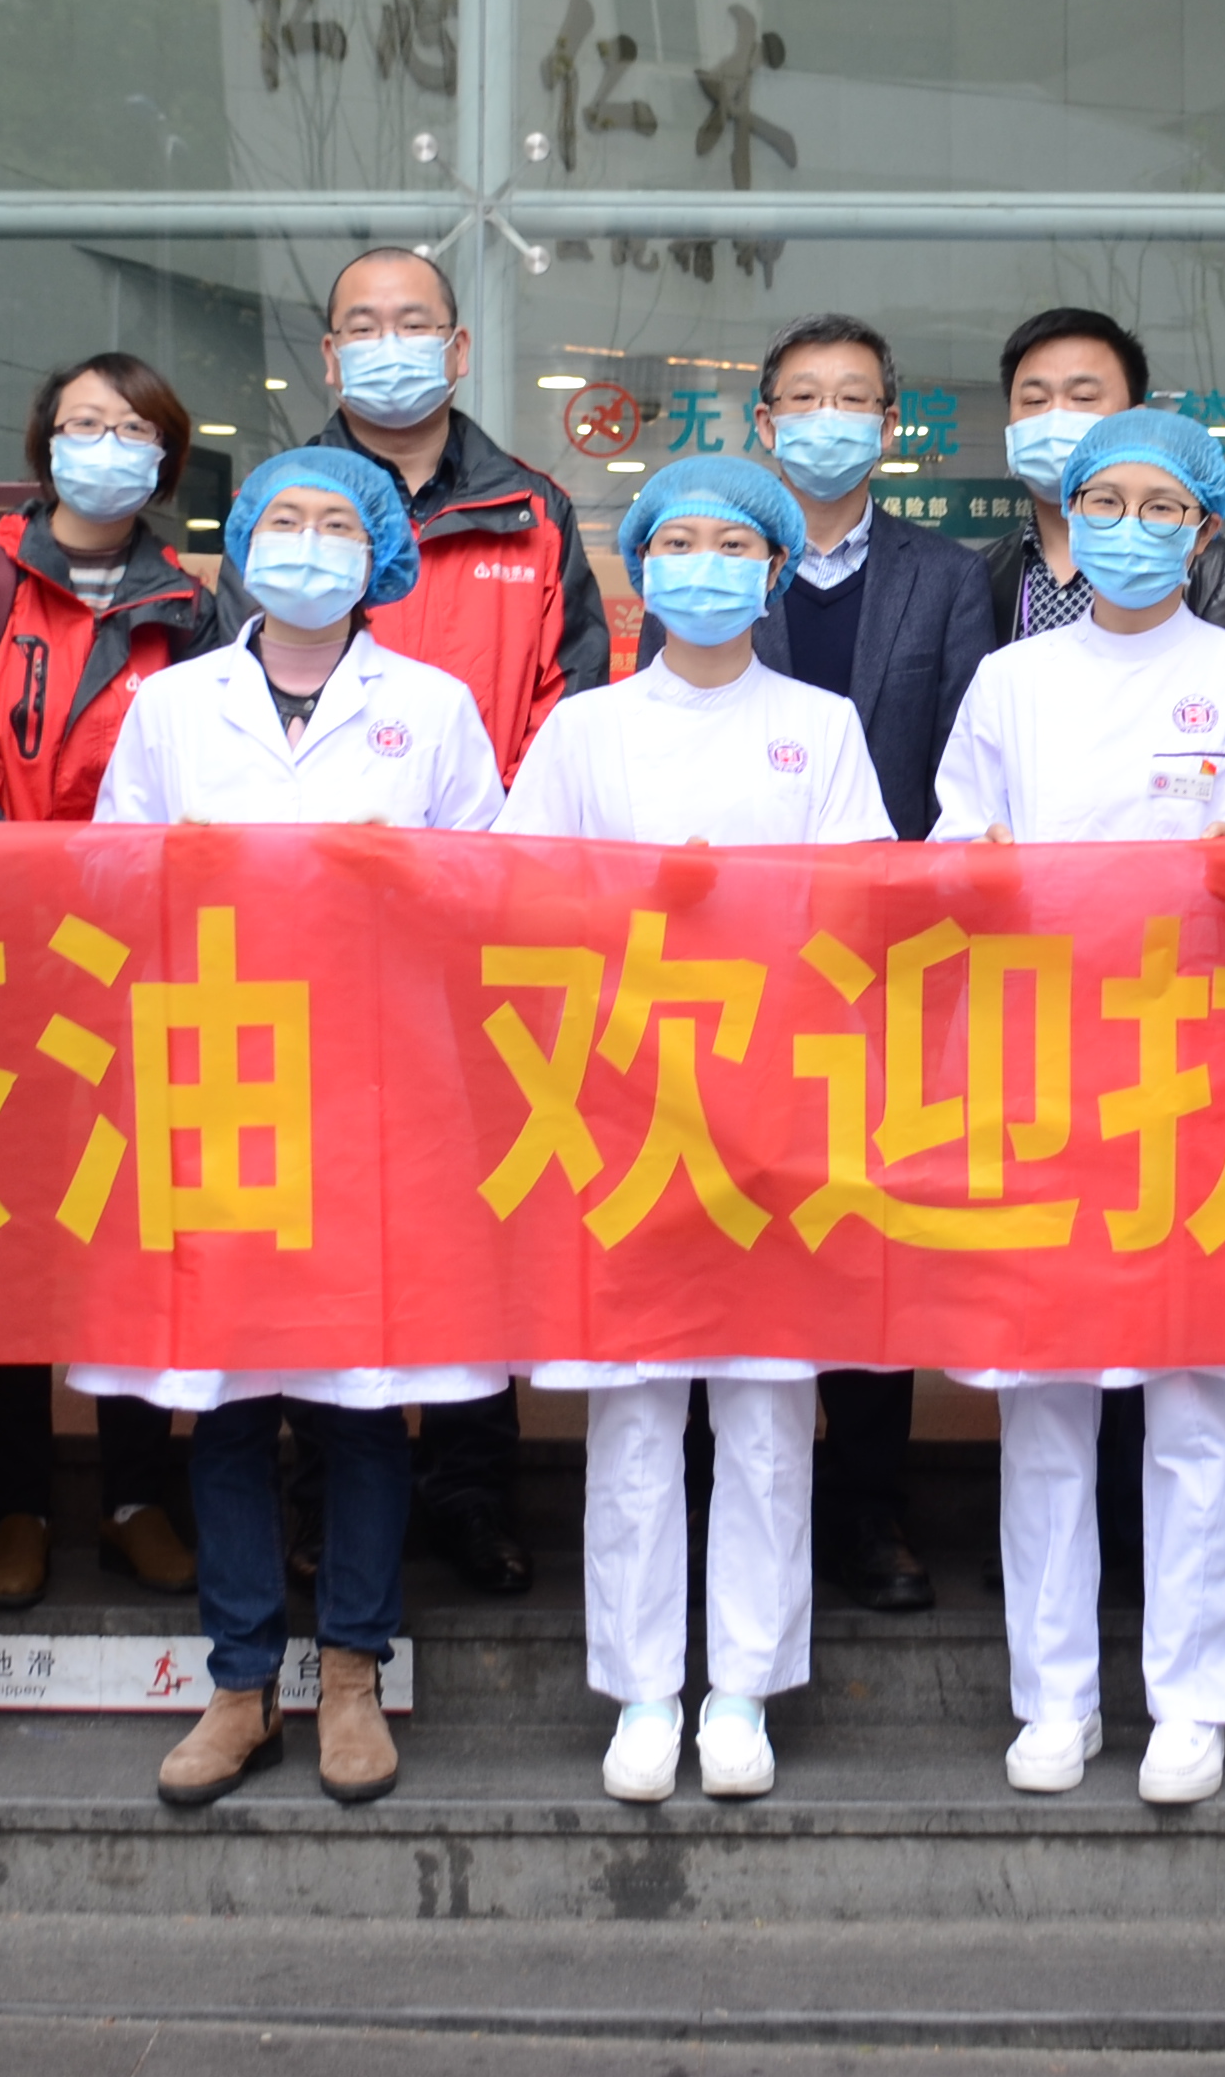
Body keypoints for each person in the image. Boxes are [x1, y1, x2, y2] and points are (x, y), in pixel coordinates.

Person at [931, 408, 1225, 1810]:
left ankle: (1192, 1701)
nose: (1127, 528)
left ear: (1204, 527)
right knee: (1044, 1404)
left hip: (1196, 1074)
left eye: (1160, 506)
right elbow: (946, 848)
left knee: (1197, 1400)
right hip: (1040, 1071)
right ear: (1064, 515)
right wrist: (978, 869)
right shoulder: (1009, 681)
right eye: (1102, 501)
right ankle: (1052, 1699)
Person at [95, 447, 508, 1811]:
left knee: (359, 1400)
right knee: (224, 1401)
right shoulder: (173, 703)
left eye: (339, 523)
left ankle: (349, 1675)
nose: (310, 543)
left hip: (377, 1089)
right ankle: (237, 1685)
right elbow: (108, 875)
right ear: (244, 544)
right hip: (218, 1076)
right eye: (287, 519)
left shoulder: (432, 706)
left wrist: (405, 873)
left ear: (379, 551)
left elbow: (493, 890)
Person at [504, 454, 894, 1805]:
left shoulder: (821, 726)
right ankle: (640, 1690)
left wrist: (749, 918)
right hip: (621, 1109)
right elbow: (514, 902)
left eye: (737, 547)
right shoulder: (586, 731)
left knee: (768, 1412)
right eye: (681, 543)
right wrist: (632, 912)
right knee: (632, 1414)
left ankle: (741, 1688)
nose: (707, 568)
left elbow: (864, 910)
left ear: (776, 571)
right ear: (641, 567)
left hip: (774, 1110)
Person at [294, 245, 607, 1597]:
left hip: (485, 931)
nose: (389, 343)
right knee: (325, 1210)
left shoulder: (532, 512)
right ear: (328, 355)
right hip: (313, 938)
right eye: (362, 325)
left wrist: (494, 876)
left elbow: (570, 705)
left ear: (459, 348)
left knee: (483, 1211)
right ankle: (320, 1488)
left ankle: (473, 1489)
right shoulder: (287, 504)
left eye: (412, 321)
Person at [0, 351, 221, 1619]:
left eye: (131, 426)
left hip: (140, 957)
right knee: (12, 1230)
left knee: (135, 1220)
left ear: (165, 456)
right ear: (44, 445)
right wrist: (1, 858)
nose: (105, 444)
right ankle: (19, 1501)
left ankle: (139, 1495)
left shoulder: (188, 607)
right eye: (83, 422)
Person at [715, 311, 996, 1616]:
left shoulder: (947, 577)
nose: (825, 419)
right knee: (737, 1225)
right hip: (733, 965)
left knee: (871, 1230)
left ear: (890, 426)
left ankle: (871, 1507)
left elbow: (961, 761)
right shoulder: (713, 554)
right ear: (763, 422)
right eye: (802, 397)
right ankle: (737, 1499)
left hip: (891, 961)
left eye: (852, 399)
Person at [967, 307, 1225, 644]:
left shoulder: (1222, 574)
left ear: (1136, 418)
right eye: (1034, 400)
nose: (1055, 417)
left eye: (1083, 397)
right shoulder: (980, 574)